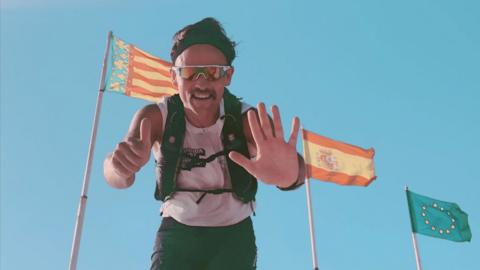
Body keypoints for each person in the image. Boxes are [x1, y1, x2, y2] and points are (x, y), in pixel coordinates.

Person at [103, 17, 305, 270]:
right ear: (174, 78)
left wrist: (289, 176)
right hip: (177, 232)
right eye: (189, 73)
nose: (200, 82)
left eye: (212, 72)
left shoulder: (247, 120)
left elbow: (295, 171)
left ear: (227, 76)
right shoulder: (154, 117)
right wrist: (119, 168)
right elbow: (116, 175)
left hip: (234, 235)